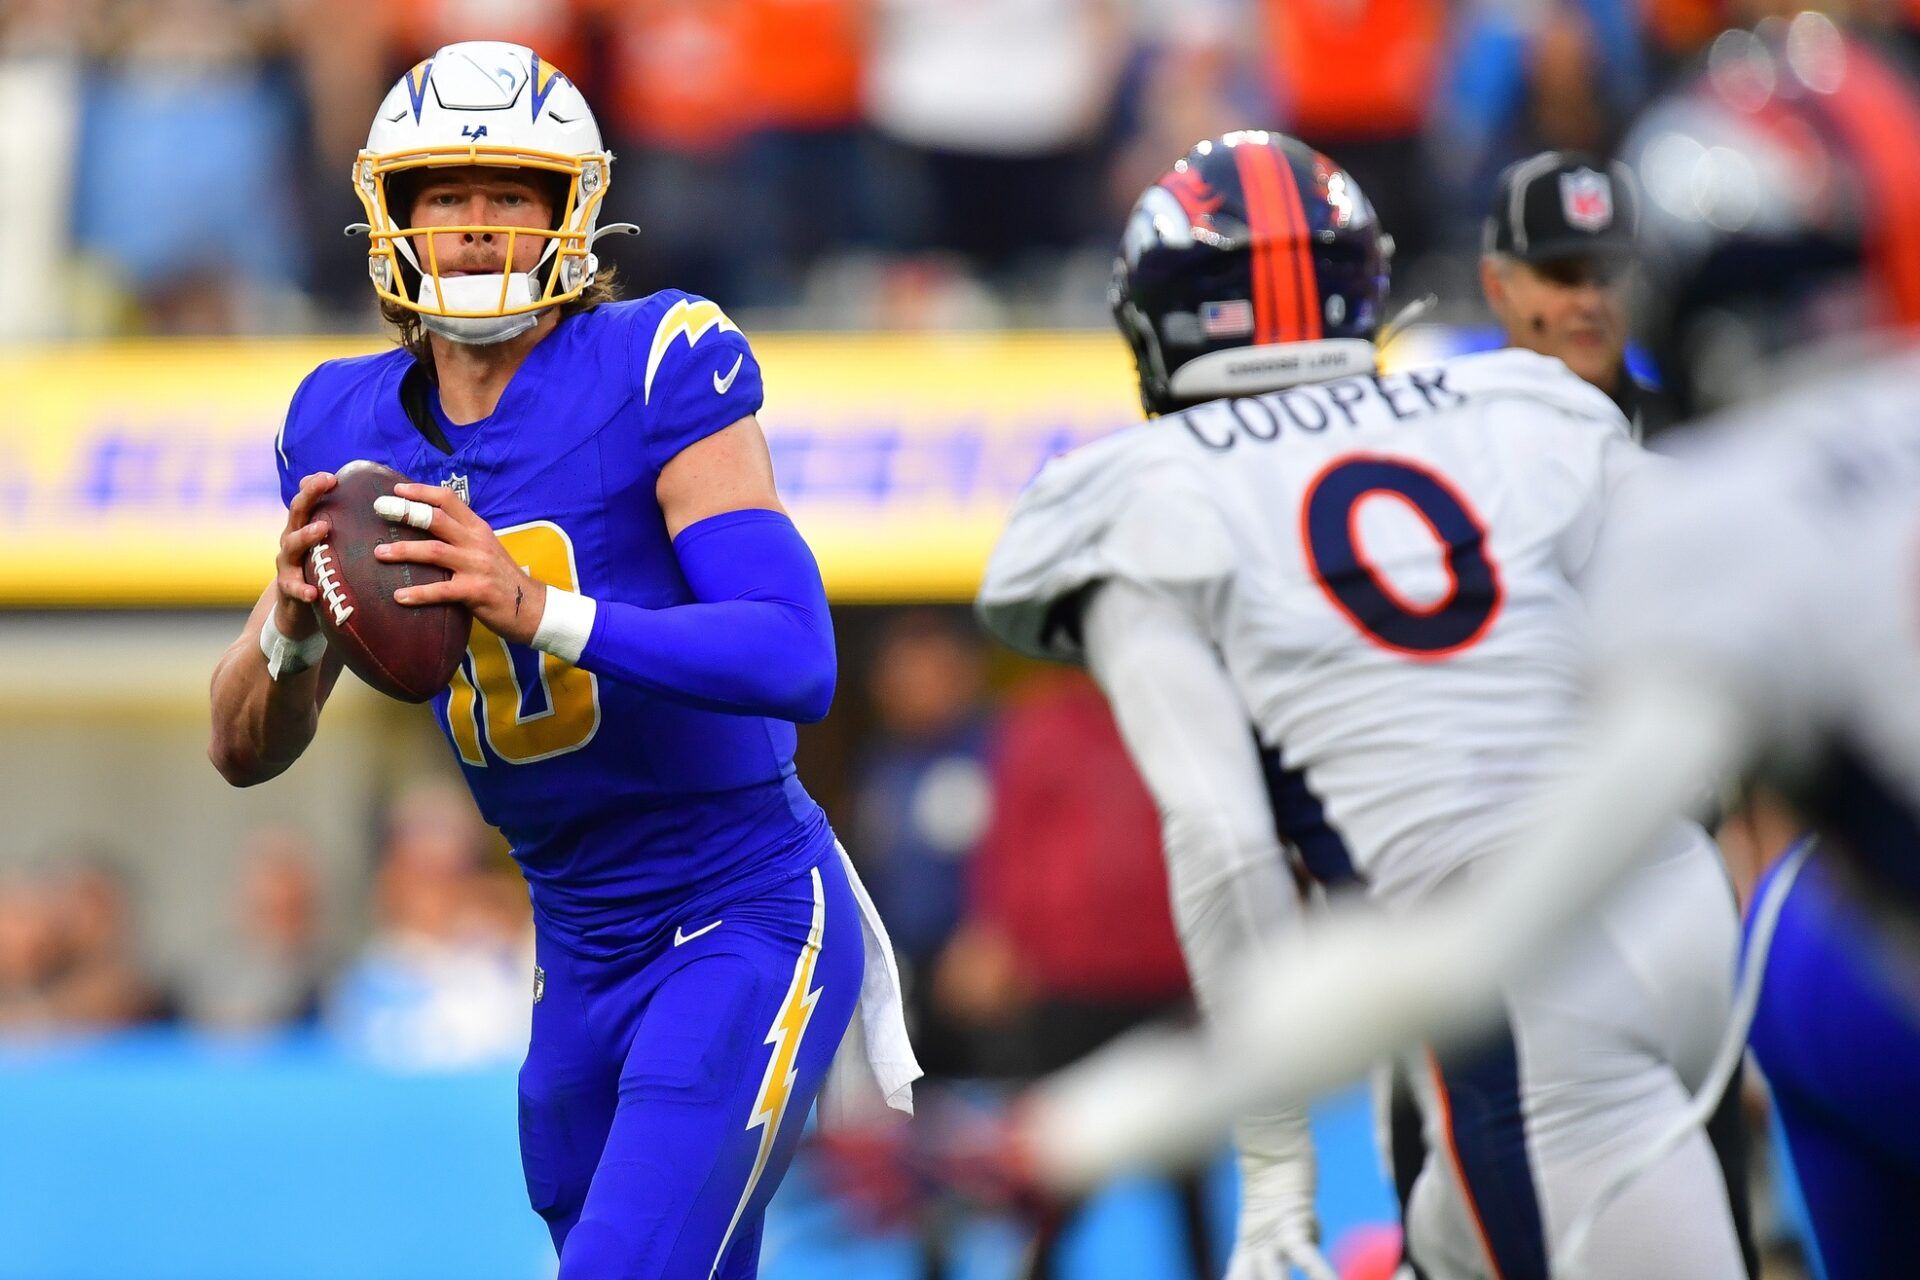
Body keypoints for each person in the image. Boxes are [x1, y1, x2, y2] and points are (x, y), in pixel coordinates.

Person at [1013, 20, 1920, 1278]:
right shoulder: (1526, 403)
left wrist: (1265, 1184)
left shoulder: (1146, 493)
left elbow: (1224, 844)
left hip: (1511, 962)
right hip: (1709, 916)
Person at [206, 41, 916, 1279]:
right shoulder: (339, 423)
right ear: (394, 215)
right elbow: (239, 750)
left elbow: (796, 654)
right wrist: (291, 624)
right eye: (447, 196)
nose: (477, 229)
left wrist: (540, 606)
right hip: (574, 941)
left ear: (570, 212)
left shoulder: (656, 362)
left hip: (739, 904)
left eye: (510, 198)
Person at [1478, 150, 1675, 436]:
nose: (1590, 303)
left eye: (1608, 275)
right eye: (1562, 275)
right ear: (1496, 286)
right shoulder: (1456, 440)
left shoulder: (1681, 441)